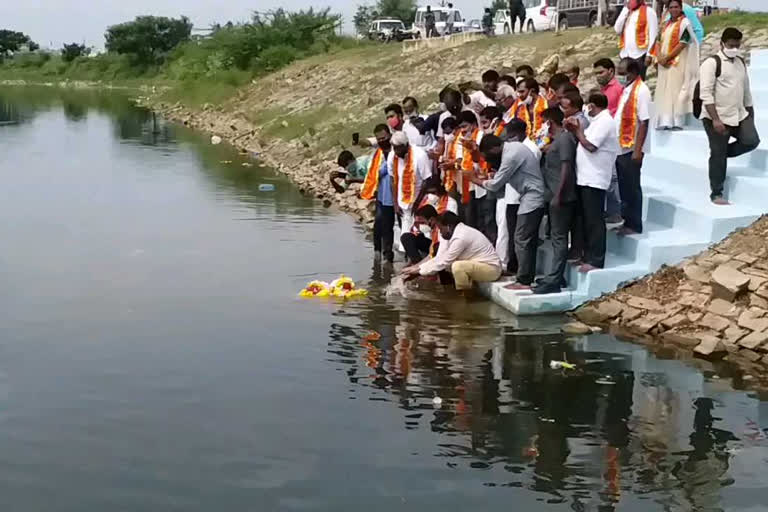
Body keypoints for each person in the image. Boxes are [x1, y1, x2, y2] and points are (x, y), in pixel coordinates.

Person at [474, 133, 547, 289]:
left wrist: (474, 180)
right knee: (527, 240)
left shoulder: (511, 155)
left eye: (488, 155)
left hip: (532, 198)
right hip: (529, 198)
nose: (489, 159)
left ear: (494, 148)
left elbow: (495, 185)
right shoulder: (512, 149)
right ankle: (526, 277)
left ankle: (524, 281)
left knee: (521, 239)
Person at [700, 27, 760, 205]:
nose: (734, 48)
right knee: (718, 155)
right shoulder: (711, 63)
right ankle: (716, 193)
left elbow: (746, 91)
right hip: (716, 117)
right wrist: (716, 119)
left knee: (751, 141)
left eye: (737, 45)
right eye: (731, 45)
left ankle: (720, 154)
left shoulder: (740, 62)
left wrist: (750, 115)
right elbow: (706, 94)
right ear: (722, 44)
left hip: (739, 114)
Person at [565, 93, 620, 273]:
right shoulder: (596, 121)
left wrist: (578, 132)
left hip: (595, 178)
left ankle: (596, 259)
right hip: (585, 178)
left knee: (594, 220)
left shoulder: (605, 122)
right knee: (585, 219)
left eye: (588, 106)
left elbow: (591, 146)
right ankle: (586, 255)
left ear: (592, 106)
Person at [402, 212, 503, 291]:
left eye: (440, 228)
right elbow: (439, 257)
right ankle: (452, 287)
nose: (440, 232)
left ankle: (465, 296)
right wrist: (416, 269)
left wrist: (418, 271)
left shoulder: (461, 236)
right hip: (475, 265)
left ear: (449, 226)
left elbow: (444, 261)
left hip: (491, 269)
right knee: (450, 265)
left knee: (457, 266)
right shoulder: (448, 234)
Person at [536, 107, 578, 294]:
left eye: (544, 121)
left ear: (550, 122)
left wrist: (559, 195)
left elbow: (566, 168)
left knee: (559, 238)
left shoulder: (565, 139)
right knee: (555, 237)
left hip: (561, 197)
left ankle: (554, 279)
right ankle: (555, 275)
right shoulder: (556, 141)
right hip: (552, 195)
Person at [615, 58, 651, 236]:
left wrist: (638, 150)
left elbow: (644, 122)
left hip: (631, 149)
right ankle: (626, 220)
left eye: (623, 73)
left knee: (632, 187)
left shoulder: (642, 91)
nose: (620, 76)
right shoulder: (627, 89)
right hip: (620, 147)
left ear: (633, 72)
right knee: (623, 187)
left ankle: (634, 224)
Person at [655, 0, 700, 130]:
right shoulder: (665, 24)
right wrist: (659, 57)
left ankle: (676, 121)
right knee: (664, 91)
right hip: (663, 63)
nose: (673, 9)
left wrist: (668, 57)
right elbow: (658, 41)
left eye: (676, 7)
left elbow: (683, 43)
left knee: (675, 91)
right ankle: (664, 120)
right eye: (671, 7)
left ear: (681, 8)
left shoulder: (685, 23)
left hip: (677, 63)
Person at [359, 124, 396, 262]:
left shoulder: (395, 150)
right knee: (379, 225)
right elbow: (375, 173)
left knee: (389, 227)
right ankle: (378, 253)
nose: (381, 141)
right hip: (382, 195)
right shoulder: (378, 153)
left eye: (384, 138)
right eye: (378, 139)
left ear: (389, 136)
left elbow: (381, 172)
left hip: (396, 196)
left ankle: (388, 255)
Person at [401, 178, 458, 265]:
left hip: (442, 239)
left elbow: (450, 223)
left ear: (440, 191)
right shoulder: (425, 200)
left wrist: (434, 220)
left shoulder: (451, 203)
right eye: (429, 193)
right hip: (428, 237)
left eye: (433, 192)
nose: (431, 195)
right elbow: (417, 221)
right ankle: (416, 262)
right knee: (406, 237)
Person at [388, 131, 433, 240]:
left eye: (398, 148)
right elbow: (392, 179)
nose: (396, 151)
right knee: (405, 237)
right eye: (394, 148)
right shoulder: (392, 155)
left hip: (420, 203)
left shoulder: (420, 155)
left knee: (422, 235)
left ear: (406, 145)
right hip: (402, 204)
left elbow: (427, 180)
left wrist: (417, 204)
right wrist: (395, 204)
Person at [614, 0, 659, 80]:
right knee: (624, 82)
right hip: (625, 54)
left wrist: (649, 54)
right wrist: (625, 9)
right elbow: (617, 29)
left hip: (640, 55)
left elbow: (653, 34)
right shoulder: (627, 12)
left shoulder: (649, 12)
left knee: (638, 83)